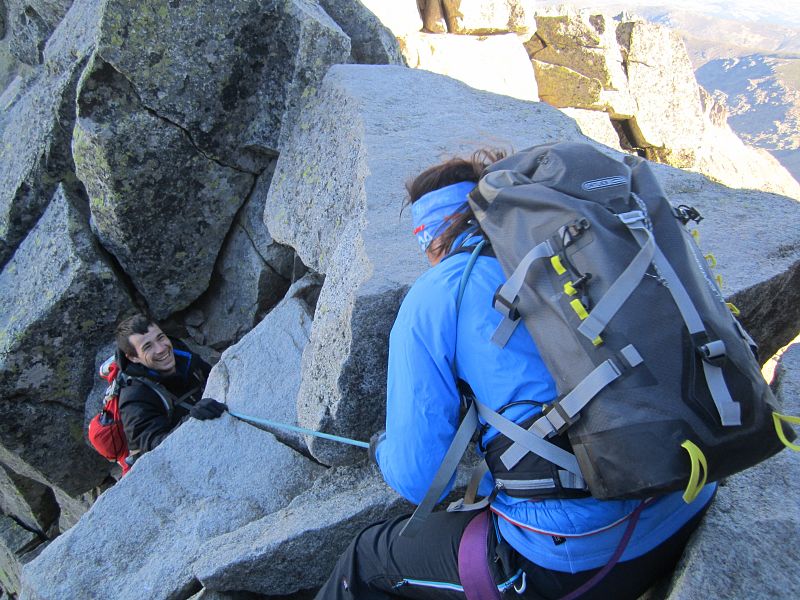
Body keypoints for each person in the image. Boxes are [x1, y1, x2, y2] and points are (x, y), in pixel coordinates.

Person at [315, 150, 716, 599]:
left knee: (366, 559)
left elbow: (419, 478)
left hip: (579, 559)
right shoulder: (579, 250)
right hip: (689, 495)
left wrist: (382, 448)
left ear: (430, 239)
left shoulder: (441, 291)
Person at [115, 313, 227, 458]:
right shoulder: (135, 399)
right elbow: (155, 448)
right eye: (148, 347)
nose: (161, 349)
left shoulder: (182, 355)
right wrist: (190, 421)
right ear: (133, 357)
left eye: (160, 337)